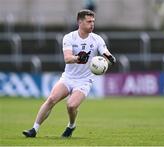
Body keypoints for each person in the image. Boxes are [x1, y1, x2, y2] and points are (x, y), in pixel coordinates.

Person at [22, 9, 116, 138]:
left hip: (85, 80)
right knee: (51, 99)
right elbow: (67, 58)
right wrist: (77, 58)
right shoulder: (69, 37)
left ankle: (71, 126)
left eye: (93, 21)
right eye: (89, 21)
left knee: (71, 106)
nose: (92, 24)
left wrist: (110, 58)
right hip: (68, 77)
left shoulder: (97, 39)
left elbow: (104, 51)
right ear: (80, 22)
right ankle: (34, 129)